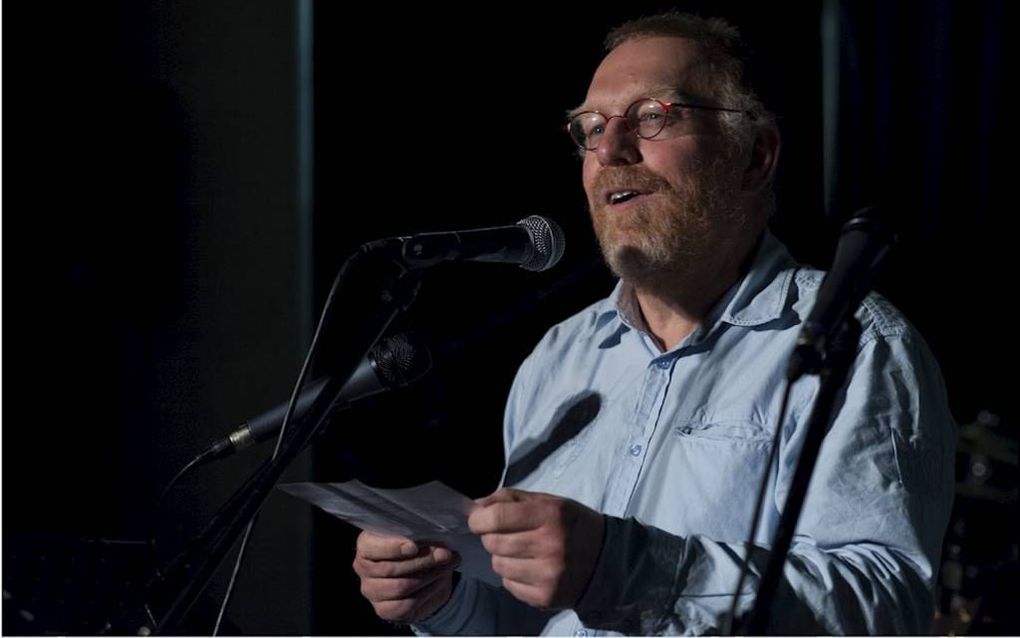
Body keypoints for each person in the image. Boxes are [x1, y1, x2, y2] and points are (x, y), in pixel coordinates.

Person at [352, 12, 955, 635]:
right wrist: (444, 601)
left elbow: (886, 609)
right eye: (589, 128)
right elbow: (531, 622)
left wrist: (624, 567)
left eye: (652, 116)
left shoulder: (852, 342)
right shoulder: (561, 358)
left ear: (754, 156)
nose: (610, 151)